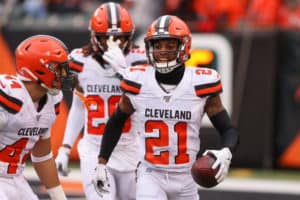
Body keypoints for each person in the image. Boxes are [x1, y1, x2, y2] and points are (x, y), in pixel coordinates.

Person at [94, 15, 239, 200]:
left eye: (170, 46)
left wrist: (226, 151)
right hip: (150, 174)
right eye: (158, 45)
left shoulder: (201, 83)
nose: (163, 51)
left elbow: (227, 129)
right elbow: (116, 122)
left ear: (184, 46)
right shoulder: (137, 82)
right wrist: (101, 163)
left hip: (187, 176)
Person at [55, 2, 147, 200]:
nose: (113, 44)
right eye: (107, 38)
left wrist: (124, 73)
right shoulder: (80, 60)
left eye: (120, 38)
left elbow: (147, 103)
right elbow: (80, 106)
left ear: (129, 36)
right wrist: (65, 147)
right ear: (94, 36)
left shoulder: (140, 59)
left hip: (132, 151)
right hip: (94, 151)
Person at [0, 35, 73, 200]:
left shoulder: (51, 101)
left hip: (15, 178)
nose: (63, 73)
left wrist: (59, 196)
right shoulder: (9, 97)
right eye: (57, 68)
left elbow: (42, 156)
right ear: (37, 69)